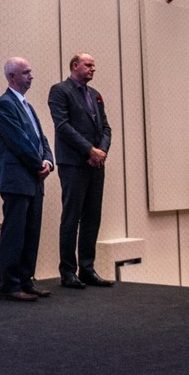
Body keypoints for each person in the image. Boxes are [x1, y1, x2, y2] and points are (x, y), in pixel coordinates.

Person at [0, 57, 55, 301]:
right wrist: (38, 164)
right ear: (12, 77)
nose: (31, 76)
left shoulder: (27, 106)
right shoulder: (4, 105)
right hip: (17, 180)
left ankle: (26, 281)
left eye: (30, 71)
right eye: (26, 72)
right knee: (15, 234)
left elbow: (41, 139)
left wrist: (48, 161)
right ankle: (9, 286)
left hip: (34, 179)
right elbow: (19, 142)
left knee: (31, 233)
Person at [48, 52, 113, 289]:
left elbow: (106, 128)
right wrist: (89, 150)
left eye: (94, 65)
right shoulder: (60, 91)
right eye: (88, 65)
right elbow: (63, 126)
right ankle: (68, 271)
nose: (93, 69)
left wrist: (101, 151)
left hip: (96, 163)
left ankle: (87, 268)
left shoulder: (95, 95)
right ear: (75, 66)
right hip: (73, 163)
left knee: (92, 217)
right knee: (72, 216)